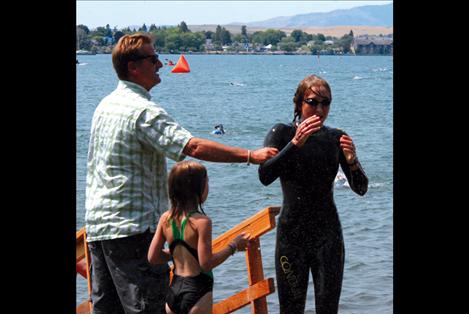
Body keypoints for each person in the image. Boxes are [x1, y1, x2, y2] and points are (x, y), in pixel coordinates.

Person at [85, 33, 278, 314]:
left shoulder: (104, 106)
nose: (161, 64)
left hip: (99, 230)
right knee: (146, 307)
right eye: (153, 59)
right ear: (133, 67)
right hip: (133, 230)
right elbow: (193, 146)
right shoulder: (143, 111)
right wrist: (250, 156)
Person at [258, 74, 368, 314]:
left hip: (327, 235)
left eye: (325, 103)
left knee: (328, 309)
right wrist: (295, 144)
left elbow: (361, 188)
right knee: (291, 309)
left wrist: (352, 162)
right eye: (312, 102)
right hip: (292, 236)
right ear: (299, 104)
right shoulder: (282, 133)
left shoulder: (335, 138)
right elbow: (265, 176)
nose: (319, 109)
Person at [148, 161, 250, 314]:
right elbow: (206, 263)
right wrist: (233, 246)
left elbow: (153, 257)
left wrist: (178, 253)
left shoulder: (165, 218)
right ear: (198, 188)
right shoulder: (202, 222)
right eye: (207, 182)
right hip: (197, 291)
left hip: (173, 292)